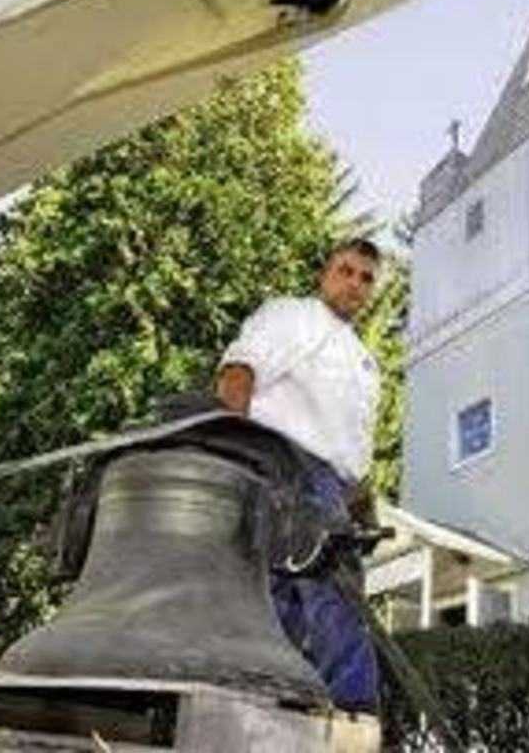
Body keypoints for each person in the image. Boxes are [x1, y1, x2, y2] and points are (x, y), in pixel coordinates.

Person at [215, 237, 382, 713]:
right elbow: (239, 372)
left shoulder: (367, 364)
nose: (354, 283)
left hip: (333, 489)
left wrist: (360, 506)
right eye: (345, 271)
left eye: (366, 278)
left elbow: (354, 449)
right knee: (332, 599)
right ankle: (356, 715)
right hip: (284, 468)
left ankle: (278, 710)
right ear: (325, 274)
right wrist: (233, 453)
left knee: (290, 601)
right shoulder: (293, 317)